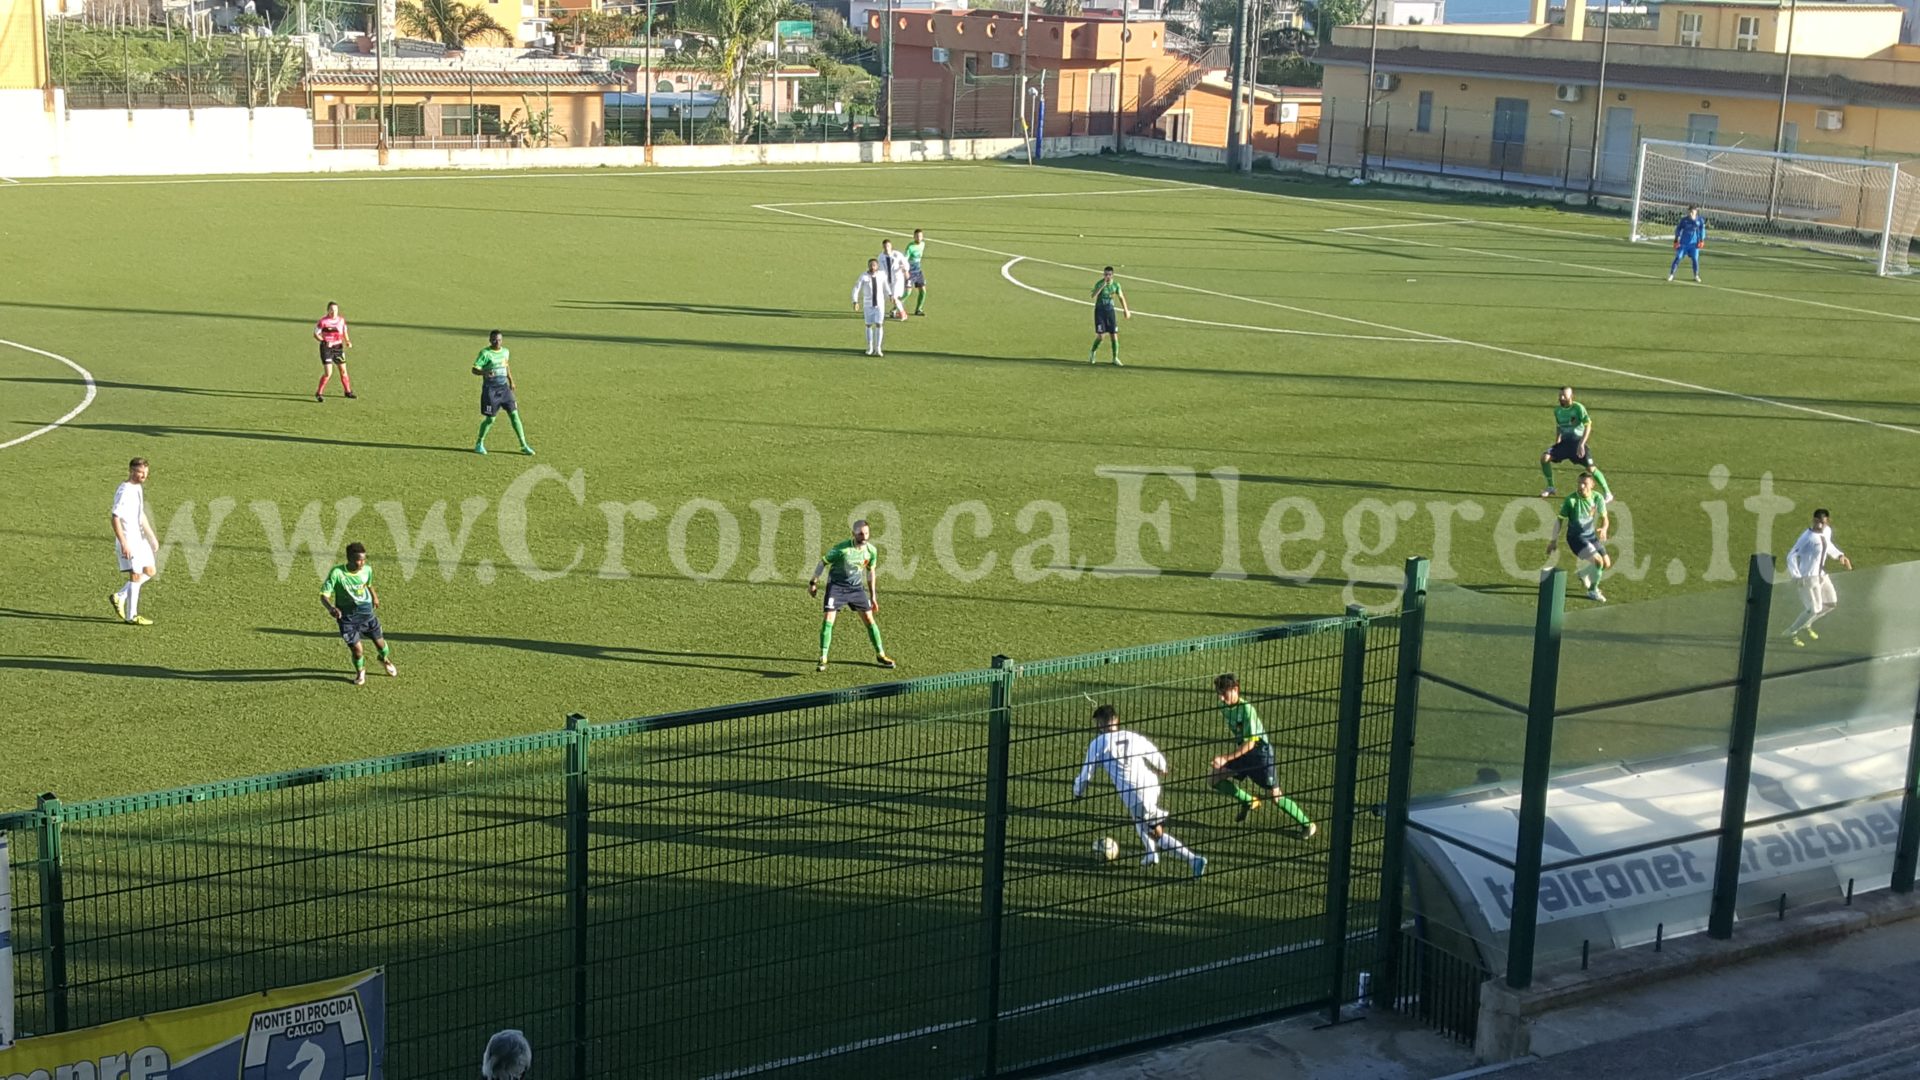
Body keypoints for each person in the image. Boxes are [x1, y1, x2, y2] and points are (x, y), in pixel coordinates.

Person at [1073, 704, 1205, 876]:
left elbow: (1086, 774)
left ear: (1099, 725)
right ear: (1117, 720)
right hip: (1151, 784)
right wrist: (1162, 766)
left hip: (1135, 795)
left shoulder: (1098, 743)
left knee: (1155, 832)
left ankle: (1193, 859)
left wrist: (1077, 792)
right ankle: (1151, 854)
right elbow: (1152, 751)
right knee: (1140, 822)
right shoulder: (1132, 736)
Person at [1209, 673, 1316, 838]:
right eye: (1219, 694)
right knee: (1215, 778)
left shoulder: (1247, 710)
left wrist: (1226, 758)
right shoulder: (1224, 707)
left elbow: (1251, 743)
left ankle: (1308, 825)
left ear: (1236, 689)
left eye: (1224, 694)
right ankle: (1249, 801)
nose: (1221, 698)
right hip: (1244, 752)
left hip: (1261, 754)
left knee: (1275, 797)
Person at [807, 519, 895, 672]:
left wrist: (873, 596)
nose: (864, 537)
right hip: (837, 588)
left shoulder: (871, 551)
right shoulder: (842, 549)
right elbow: (823, 562)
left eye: (867, 533)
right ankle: (823, 657)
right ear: (853, 534)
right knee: (829, 620)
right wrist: (813, 583)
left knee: (869, 619)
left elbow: (870, 572)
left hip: (856, 589)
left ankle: (881, 654)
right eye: (861, 534)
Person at [321, 541, 397, 686]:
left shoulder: (367, 570)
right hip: (348, 619)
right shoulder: (337, 573)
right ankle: (360, 672)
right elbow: (324, 596)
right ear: (349, 558)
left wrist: (374, 596)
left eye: (364, 559)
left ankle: (384, 660)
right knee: (357, 651)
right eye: (358, 560)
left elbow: (368, 584)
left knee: (381, 645)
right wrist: (331, 608)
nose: (362, 563)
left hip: (367, 615)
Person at [1784, 508, 1852, 647]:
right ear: (1813, 520)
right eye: (1817, 522)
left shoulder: (1827, 531)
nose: (1819, 525)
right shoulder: (1807, 538)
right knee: (1814, 609)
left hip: (1822, 575)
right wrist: (1797, 576)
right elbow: (1791, 555)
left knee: (1831, 603)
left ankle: (1806, 624)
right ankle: (1791, 632)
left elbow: (1828, 545)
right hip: (1808, 578)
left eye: (1822, 522)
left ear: (1827, 521)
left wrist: (1840, 555)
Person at [1546, 471, 1612, 602]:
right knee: (1599, 561)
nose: (1581, 486)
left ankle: (1584, 573)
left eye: (1585, 483)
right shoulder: (1571, 500)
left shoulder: (1597, 498)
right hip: (1576, 538)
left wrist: (1604, 528)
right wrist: (1553, 541)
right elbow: (1559, 520)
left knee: (1606, 564)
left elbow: (1605, 518)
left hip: (1591, 536)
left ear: (1592, 485)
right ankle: (1593, 590)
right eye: (1579, 483)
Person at [1539, 386, 1613, 503]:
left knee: (1591, 468)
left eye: (1564, 396)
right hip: (1565, 444)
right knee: (1545, 458)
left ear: (1571, 397)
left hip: (1577, 443)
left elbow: (1588, 425)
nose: (1562, 398)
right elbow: (1559, 426)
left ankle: (1608, 493)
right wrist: (1557, 441)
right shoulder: (1557, 410)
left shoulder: (1578, 408)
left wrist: (1582, 444)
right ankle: (1551, 487)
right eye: (1560, 396)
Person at [109, 457, 158, 626]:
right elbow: (115, 518)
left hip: (140, 538)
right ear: (131, 471)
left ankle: (120, 596)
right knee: (135, 575)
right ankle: (132, 616)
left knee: (150, 571)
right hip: (129, 539)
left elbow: (140, 513)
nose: (143, 475)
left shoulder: (138, 488)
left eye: (145, 472)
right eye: (140, 472)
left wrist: (151, 535)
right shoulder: (125, 490)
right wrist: (123, 543)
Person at [472, 330, 534, 456]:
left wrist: (511, 380)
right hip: (491, 391)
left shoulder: (505, 352)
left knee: (514, 415)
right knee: (490, 419)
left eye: (499, 340)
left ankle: (523, 445)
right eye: (494, 340)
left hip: (504, 389)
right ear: (490, 340)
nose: (497, 342)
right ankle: (479, 443)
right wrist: (484, 373)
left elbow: (506, 366)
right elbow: (474, 369)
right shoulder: (485, 353)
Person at [1087, 266, 1131, 366]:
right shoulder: (1099, 283)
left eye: (1109, 275)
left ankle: (1115, 357)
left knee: (1114, 334)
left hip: (1110, 312)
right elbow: (1093, 295)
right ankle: (1092, 352)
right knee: (1101, 336)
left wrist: (1126, 310)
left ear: (1112, 275)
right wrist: (1102, 286)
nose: (1107, 276)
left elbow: (1121, 297)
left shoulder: (1116, 285)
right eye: (1106, 274)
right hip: (1100, 312)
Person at [851, 258, 895, 357]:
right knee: (868, 325)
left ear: (877, 266)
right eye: (870, 265)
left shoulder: (881, 275)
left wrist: (890, 294)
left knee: (879, 324)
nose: (872, 267)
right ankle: (870, 347)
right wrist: (855, 301)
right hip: (868, 304)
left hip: (879, 304)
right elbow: (856, 288)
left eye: (874, 265)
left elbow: (886, 286)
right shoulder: (864, 276)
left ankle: (878, 348)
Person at [314, 301, 355, 402]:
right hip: (326, 348)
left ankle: (348, 391)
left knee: (343, 370)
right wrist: (324, 341)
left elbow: (344, 331)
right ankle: (319, 393)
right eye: (331, 310)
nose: (334, 312)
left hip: (338, 348)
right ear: (328, 310)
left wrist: (348, 341)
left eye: (335, 310)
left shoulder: (341, 320)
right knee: (328, 373)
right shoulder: (323, 322)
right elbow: (316, 334)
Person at [1669, 206, 1707, 283]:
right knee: (1678, 257)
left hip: (1694, 244)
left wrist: (1702, 240)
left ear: (1696, 212)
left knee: (1695, 259)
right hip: (1683, 244)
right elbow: (1678, 229)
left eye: (1692, 212)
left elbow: (1702, 230)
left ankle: (1696, 275)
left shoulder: (1700, 220)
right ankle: (1671, 274)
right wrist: (1676, 240)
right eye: (1689, 212)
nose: (1690, 214)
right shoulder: (1684, 220)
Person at [879, 239, 910, 320]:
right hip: (888, 281)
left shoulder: (897, 254)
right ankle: (896, 312)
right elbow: (881, 270)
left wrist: (905, 270)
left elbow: (905, 263)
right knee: (891, 298)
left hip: (897, 279)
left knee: (895, 297)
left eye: (888, 246)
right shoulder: (881, 257)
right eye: (885, 246)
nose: (887, 248)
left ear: (891, 246)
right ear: (883, 247)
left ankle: (903, 314)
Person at [905, 228, 929, 317]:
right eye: (917, 236)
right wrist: (905, 271)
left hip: (918, 271)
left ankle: (918, 309)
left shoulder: (923, 244)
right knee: (907, 293)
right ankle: (895, 309)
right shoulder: (910, 247)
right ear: (914, 237)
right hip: (910, 272)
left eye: (920, 236)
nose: (919, 238)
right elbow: (905, 260)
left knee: (923, 291)